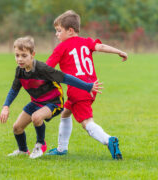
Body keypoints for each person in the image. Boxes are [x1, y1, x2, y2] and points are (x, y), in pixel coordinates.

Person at [0, 36, 103, 159]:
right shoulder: (19, 71)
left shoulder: (42, 69)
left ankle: (40, 144)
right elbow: (14, 90)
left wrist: (87, 86)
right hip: (37, 102)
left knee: (36, 117)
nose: (20, 59)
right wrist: (6, 106)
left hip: (54, 102)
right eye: (17, 55)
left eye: (24, 55)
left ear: (33, 54)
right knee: (17, 128)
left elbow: (65, 78)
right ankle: (23, 150)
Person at [45, 10, 127, 160]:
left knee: (87, 123)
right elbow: (101, 47)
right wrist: (119, 51)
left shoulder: (61, 47)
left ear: (70, 31)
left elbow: (47, 67)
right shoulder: (86, 41)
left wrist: (33, 75)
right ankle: (62, 148)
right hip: (91, 87)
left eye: (58, 31)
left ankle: (108, 140)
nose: (56, 34)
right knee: (65, 112)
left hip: (78, 89)